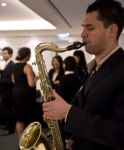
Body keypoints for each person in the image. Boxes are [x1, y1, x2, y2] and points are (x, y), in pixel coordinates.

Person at [42, 0, 124, 149]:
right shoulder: (93, 68)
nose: (82, 34)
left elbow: (121, 133)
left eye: (90, 28)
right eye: (83, 27)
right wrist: (75, 140)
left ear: (112, 31)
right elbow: (90, 112)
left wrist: (67, 112)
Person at [12, 47, 38, 140]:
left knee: (20, 119)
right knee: (29, 118)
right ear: (27, 55)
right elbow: (31, 84)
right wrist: (36, 79)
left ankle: (21, 142)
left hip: (16, 93)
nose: (30, 56)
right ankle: (29, 141)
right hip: (26, 95)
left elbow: (13, 80)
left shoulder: (15, 65)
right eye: (30, 54)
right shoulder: (27, 66)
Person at [0, 47, 15, 136]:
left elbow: (11, 80)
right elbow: (6, 75)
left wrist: (0, 81)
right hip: (5, 91)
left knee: (9, 111)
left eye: (5, 53)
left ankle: (10, 129)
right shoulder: (7, 64)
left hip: (8, 92)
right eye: (2, 53)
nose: (3, 55)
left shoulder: (12, 64)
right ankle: (8, 125)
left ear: (10, 54)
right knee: (6, 110)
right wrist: (0, 71)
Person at [47, 55, 64, 137]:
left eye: (57, 61)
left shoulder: (63, 72)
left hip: (59, 95)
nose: (55, 63)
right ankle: (51, 129)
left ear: (60, 62)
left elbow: (63, 82)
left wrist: (55, 82)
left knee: (57, 113)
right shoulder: (51, 71)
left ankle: (57, 131)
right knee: (50, 113)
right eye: (54, 61)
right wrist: (55, 82)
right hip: (50, 94)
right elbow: (48, 82)